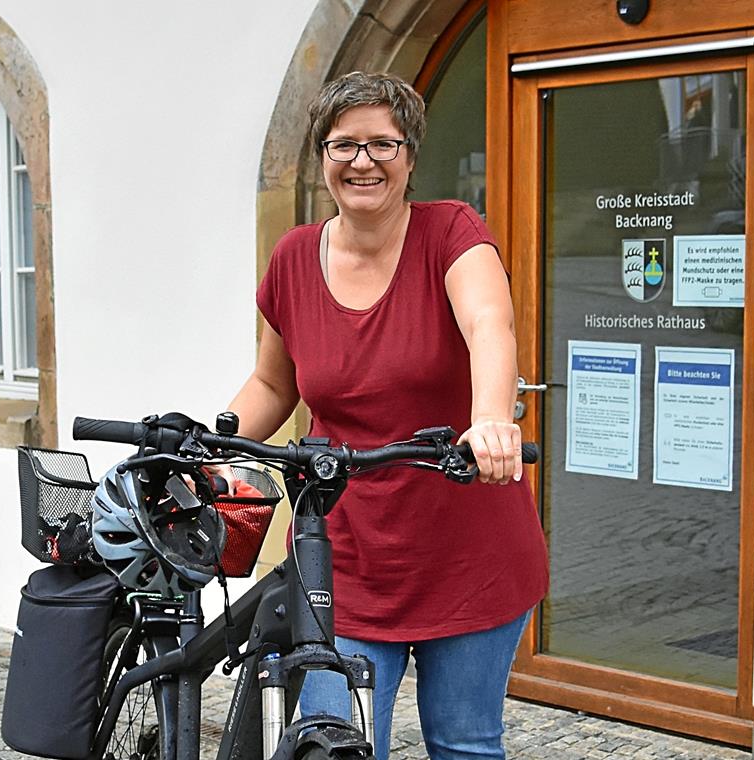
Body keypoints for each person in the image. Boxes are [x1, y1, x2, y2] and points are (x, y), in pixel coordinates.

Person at [225, 71, 549, 760]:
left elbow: (490, 326)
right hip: (342, 558)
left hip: (468, 550)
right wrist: (211, 446)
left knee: (463, 742)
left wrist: (491, 420)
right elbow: (271, 385)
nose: (363, 161)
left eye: (382, 144)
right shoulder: (292, 259)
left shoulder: (451, 233)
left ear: (409, 156)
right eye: (344, 145)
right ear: (322, 156)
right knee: (330, 745)